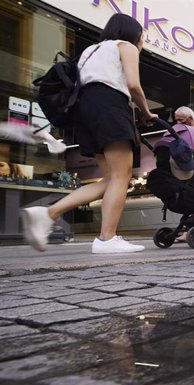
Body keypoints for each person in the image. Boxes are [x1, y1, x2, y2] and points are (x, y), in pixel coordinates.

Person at [21, 13, 156, 253]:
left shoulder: (89, 52)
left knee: (109, 179)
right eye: (142, 37)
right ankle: (106, 239)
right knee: (121, 177)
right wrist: (147, 113)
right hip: (110, 108)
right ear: (133, 33)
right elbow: (134, 85)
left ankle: (48, 213)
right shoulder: (125, 47)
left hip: (85, 112)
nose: (142, 42)